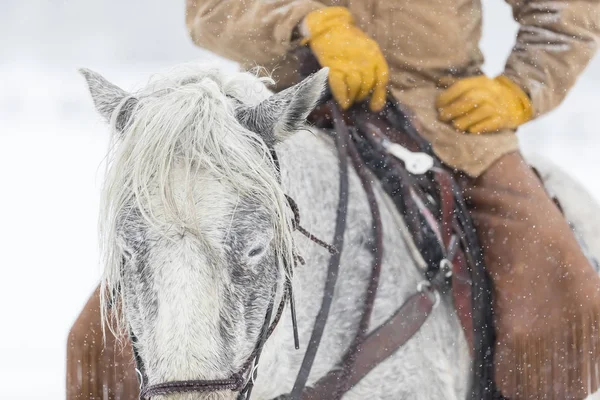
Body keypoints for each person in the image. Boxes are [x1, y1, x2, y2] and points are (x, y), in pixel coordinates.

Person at [183, 1, 600, 399]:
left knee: (557, 282)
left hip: (448, 124)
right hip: (288, 116)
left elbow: (566, 12)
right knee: (154, 273)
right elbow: (209, 11)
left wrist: (519, 89)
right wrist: (308, 25)